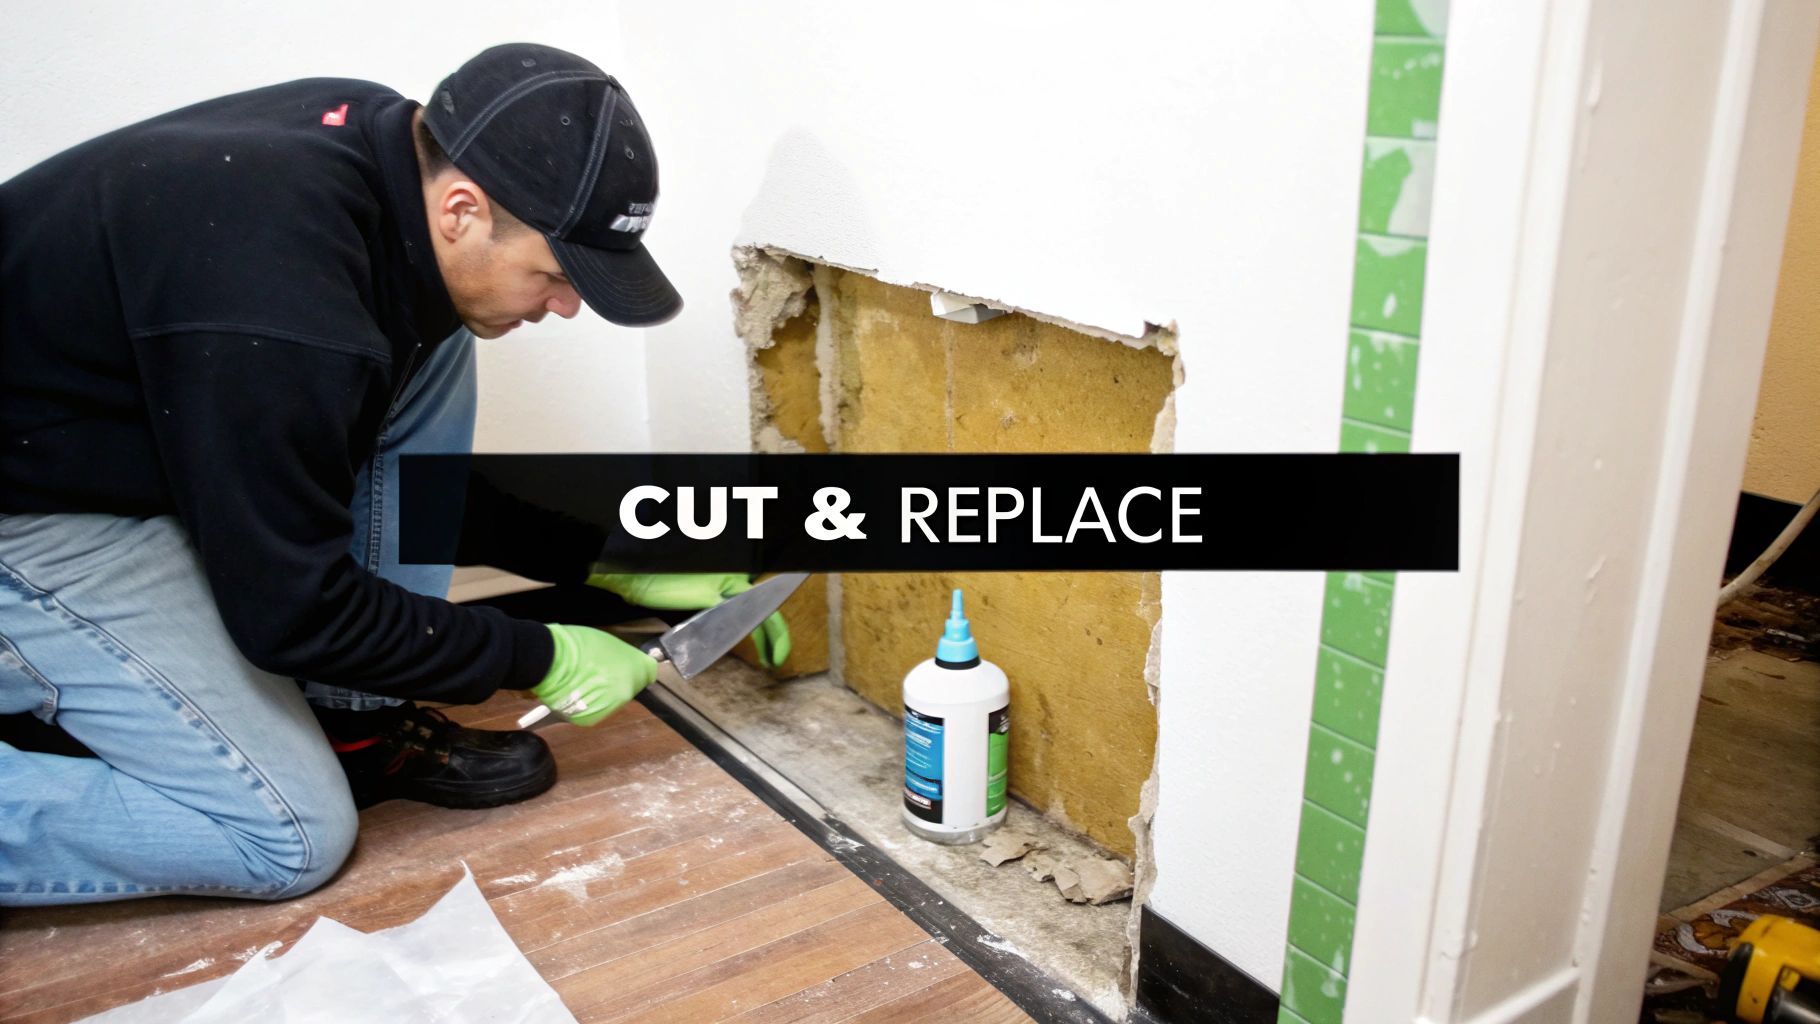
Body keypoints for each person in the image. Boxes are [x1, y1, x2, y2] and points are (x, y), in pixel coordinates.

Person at [0, 42, 788, 906]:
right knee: (287, 837)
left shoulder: (382, 156)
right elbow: (290, 609)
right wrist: (542, 653)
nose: (565, 306)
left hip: (110, 436)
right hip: (31, 514)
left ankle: (355, 724)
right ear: (462, 210)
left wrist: (612, 558)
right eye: (558, 276)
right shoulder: (280, 301)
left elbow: (383, 471)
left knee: (445, 333)